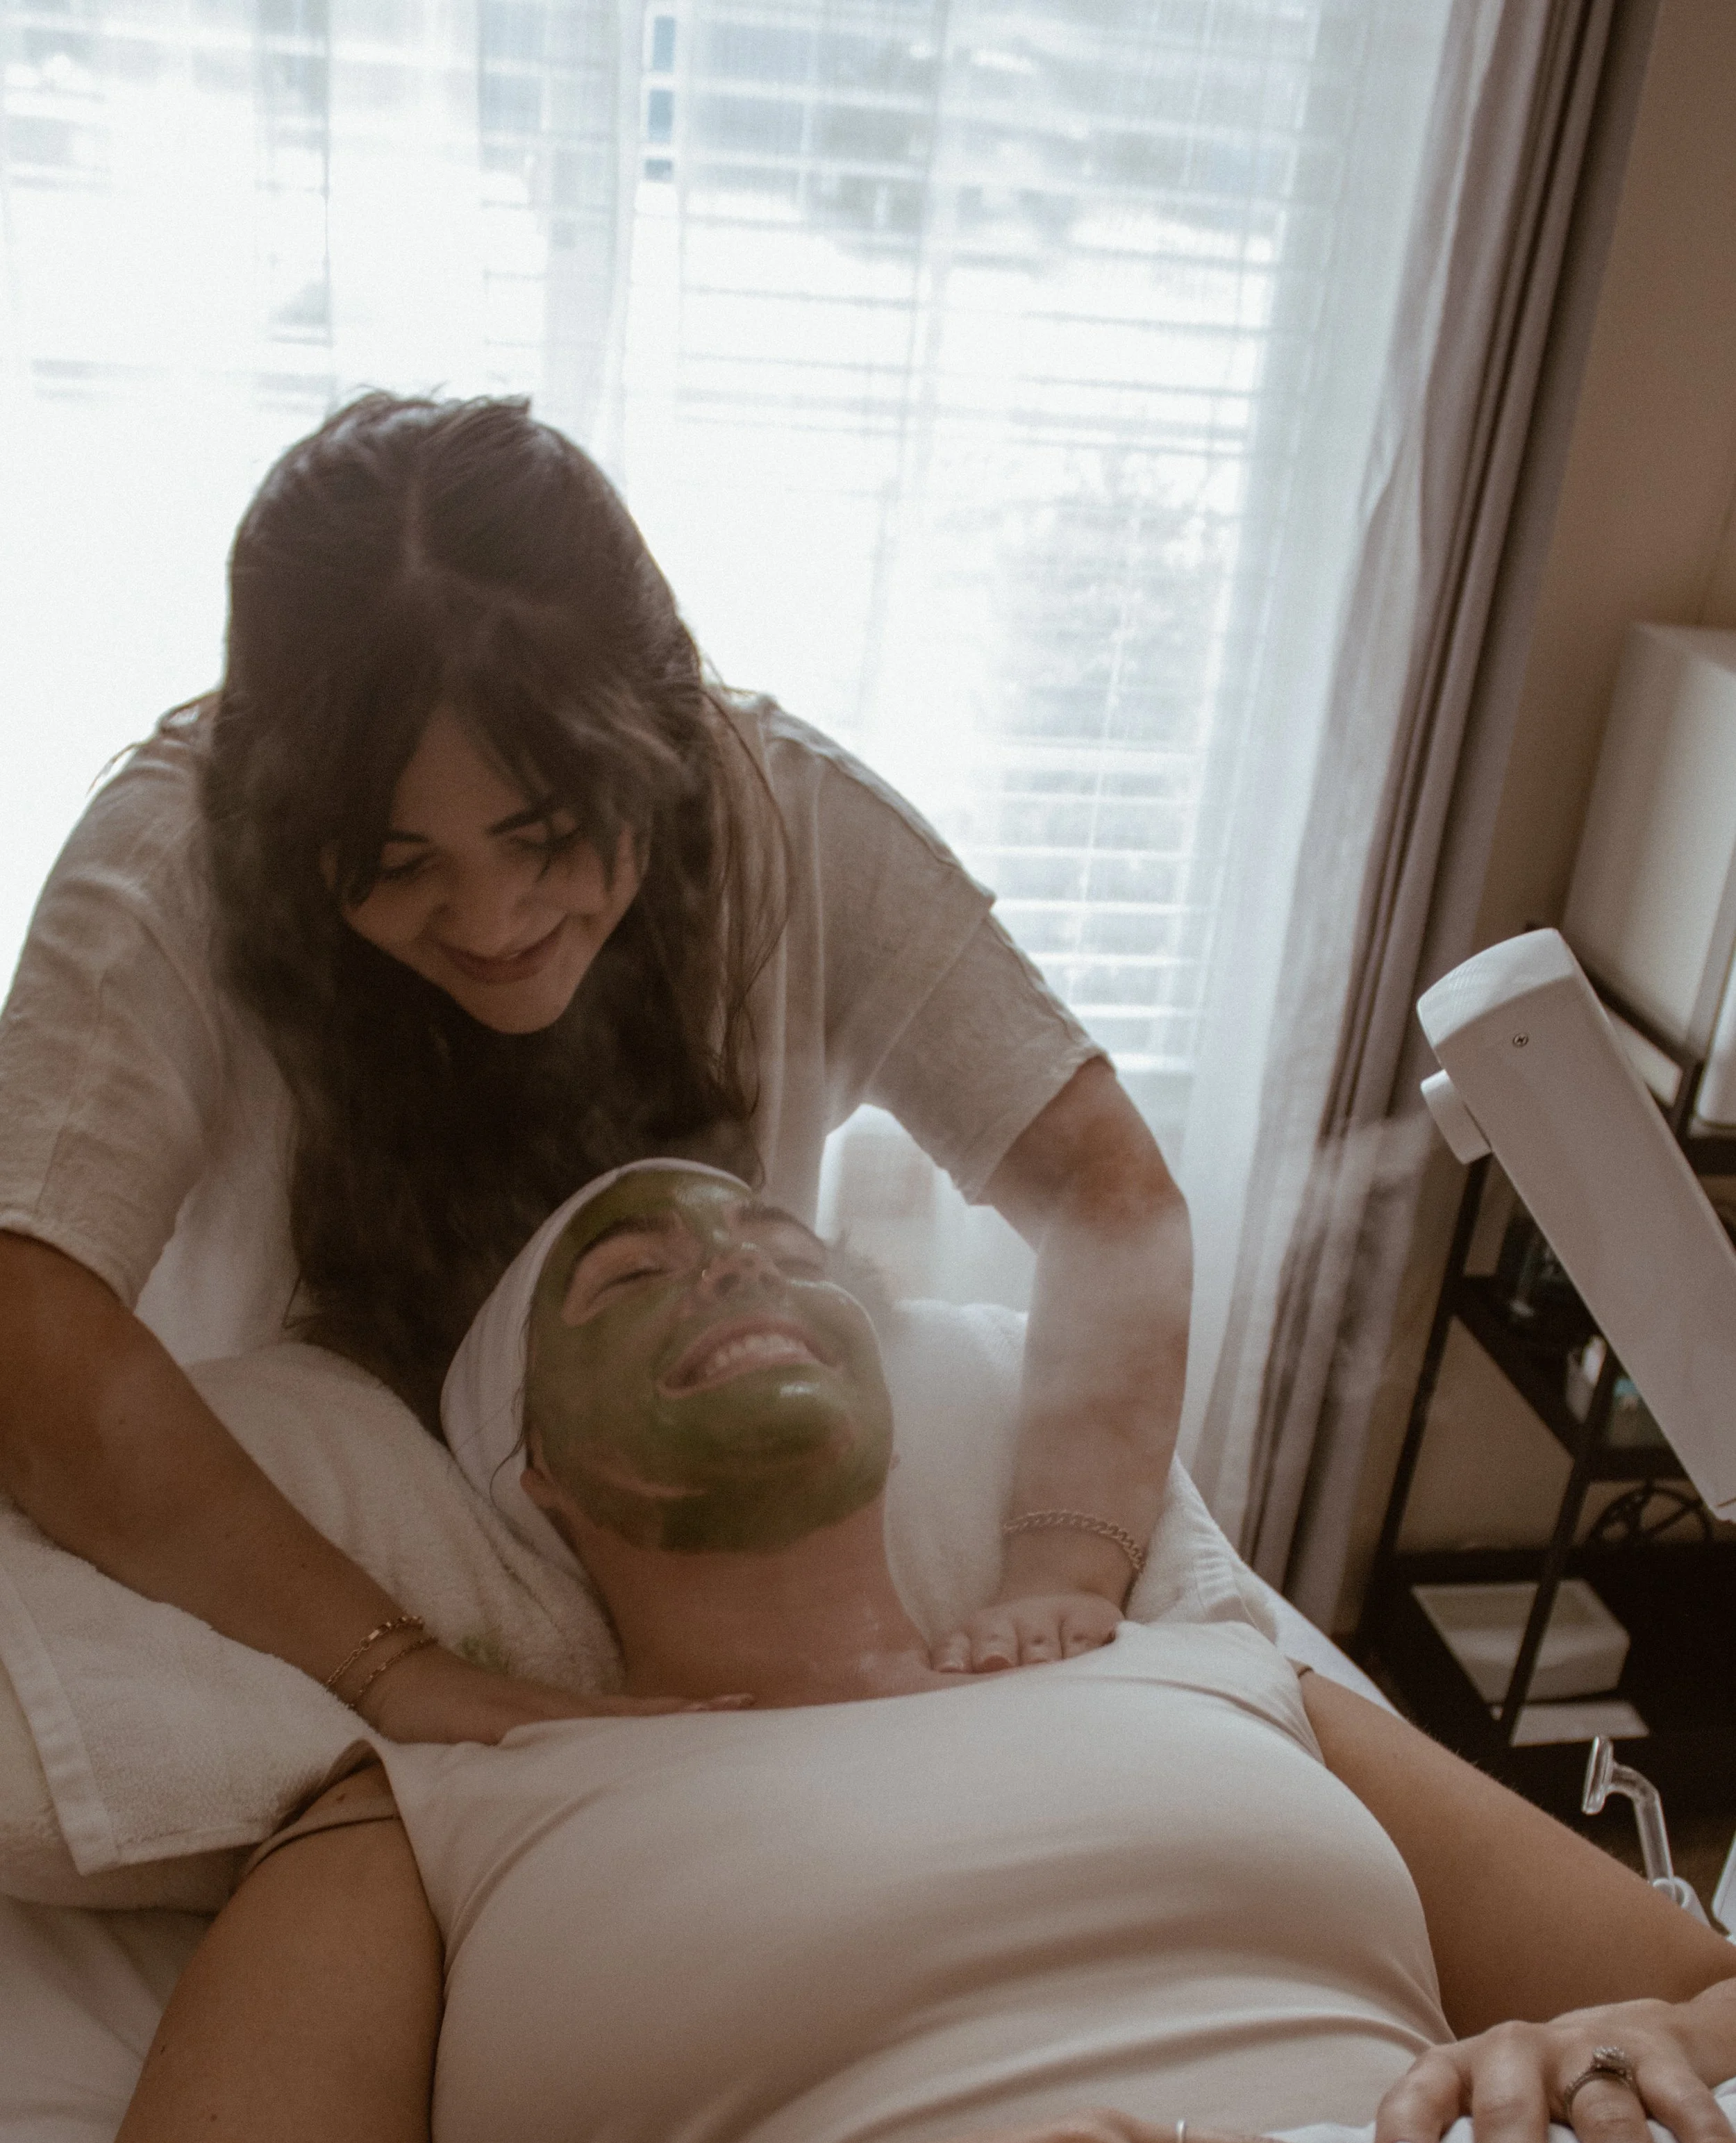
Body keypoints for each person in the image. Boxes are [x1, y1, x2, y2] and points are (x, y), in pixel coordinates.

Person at [37, 1163, 1736, 2143]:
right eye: (631, 1278)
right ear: (535, 1469)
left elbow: (1704, 2006)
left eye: (782, 1249)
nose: (728, 1271)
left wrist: (1609, 2040)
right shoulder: (426, 1821)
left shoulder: (1216, 1672)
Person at [0, 392, 1190, 1748]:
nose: (497, 922)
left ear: (660, 745)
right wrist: (388, 1671)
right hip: (302, 1604)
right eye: (395, 868)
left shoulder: (782, 819)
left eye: (550, 836)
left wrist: (1065, 1561)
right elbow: (28, 1305)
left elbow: (1105, 1182)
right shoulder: (174, 867)